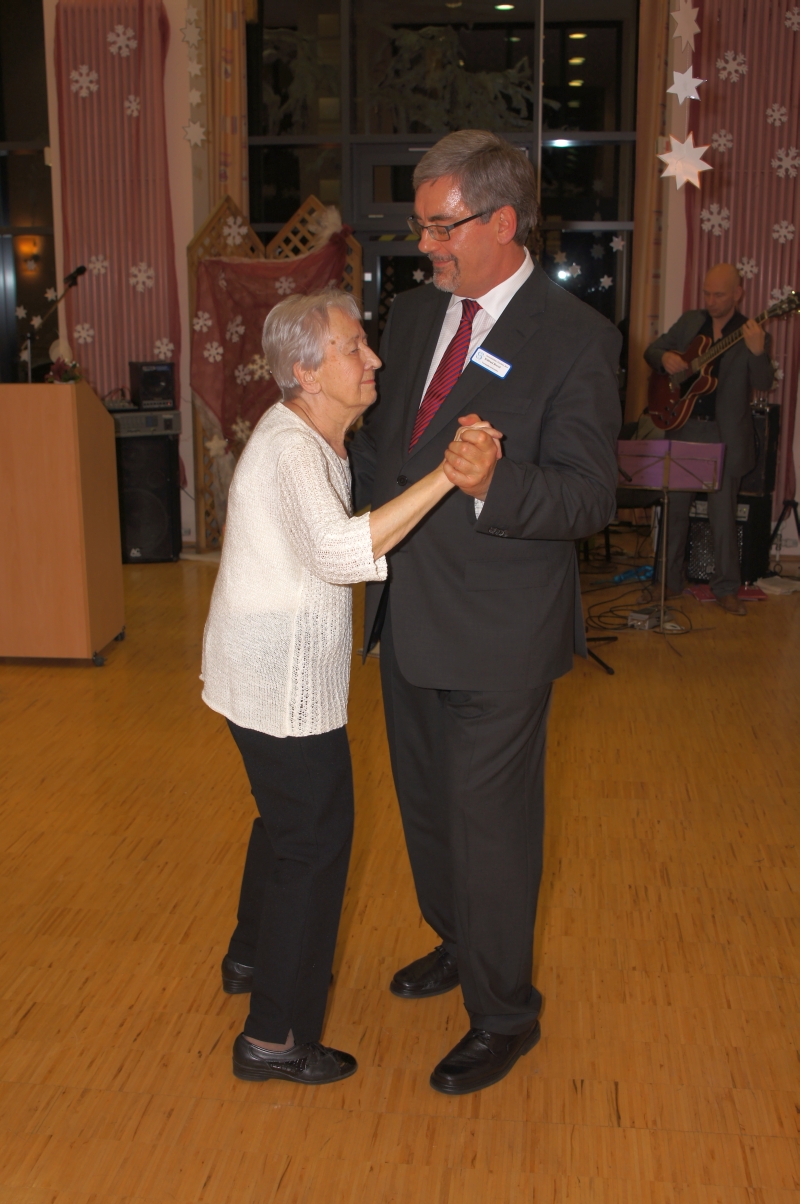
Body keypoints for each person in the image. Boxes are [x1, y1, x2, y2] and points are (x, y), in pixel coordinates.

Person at [348, 130, 622, 1095]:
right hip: (406, 616)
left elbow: (590, 496)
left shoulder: (575, 338)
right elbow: (386, 449)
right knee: (428, 813)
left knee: (492, 831)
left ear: (503, 222)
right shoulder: (416, 314)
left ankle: (505, 1013)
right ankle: (460, 942)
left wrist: (494, 485)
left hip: (501, 633)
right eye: (420, 226)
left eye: (442, 226)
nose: (424, 245)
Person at [201, 290, 500, 1086]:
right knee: (314, 845)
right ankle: (273, 1040)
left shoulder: (312, 436)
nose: (374, 360)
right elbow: (340, 554)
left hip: (259, 671)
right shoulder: (293, 450)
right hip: (281, 685)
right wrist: (447, 475)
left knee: (286, 827)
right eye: (353, 347)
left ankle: (250, 957)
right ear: (306, 372)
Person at [644, 263, 774, 614]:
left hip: (725, 433)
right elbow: (652, 351)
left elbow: (764, 382)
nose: (711, 301)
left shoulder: (751, 331)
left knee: (723, 517)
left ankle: (727, 588)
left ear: (738, 294)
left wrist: (758, 351)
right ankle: (668, 582)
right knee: (675, 511)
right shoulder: (690, 322)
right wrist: (666, 358)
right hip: (684, 426)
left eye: (719, 295)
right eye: (707, 293)